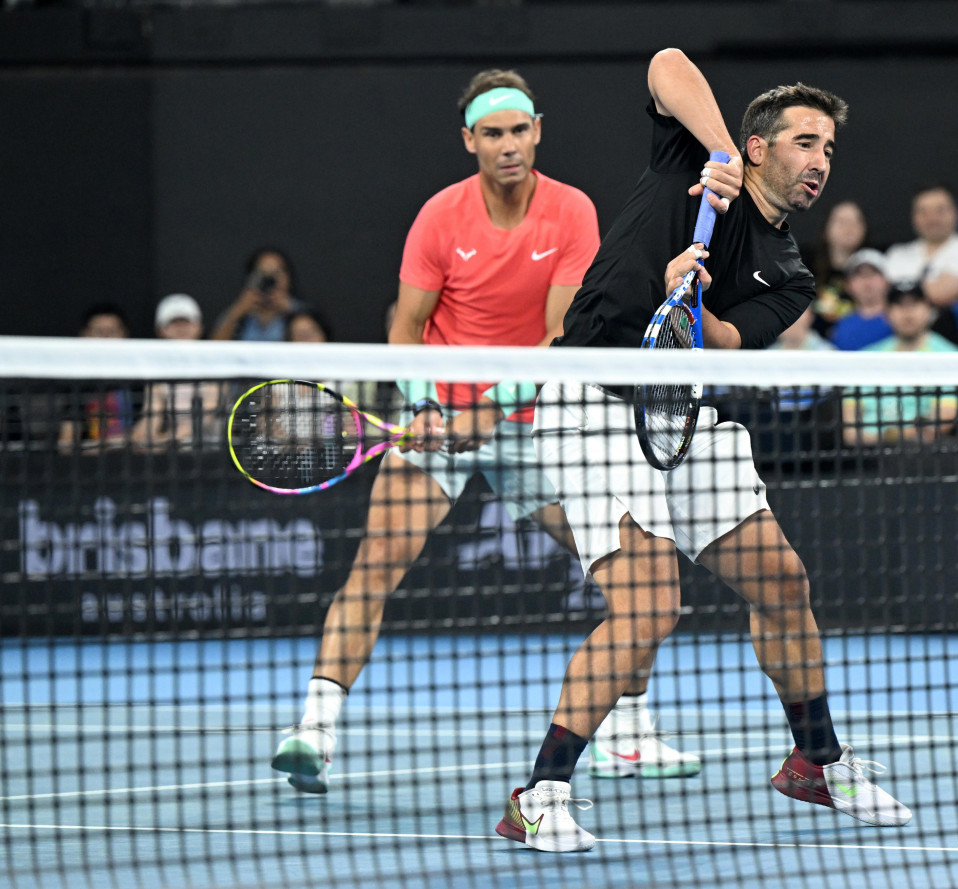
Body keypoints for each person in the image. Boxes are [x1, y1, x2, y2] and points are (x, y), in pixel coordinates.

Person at [501, 49, 910, 853]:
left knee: (782, 579)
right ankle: (538, 792)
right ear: (761, 146)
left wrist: (683, 293)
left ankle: (815, 760)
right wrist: (719, 155)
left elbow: (723, 339)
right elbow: (666, 63)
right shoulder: (691, 159)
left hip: (683, 411)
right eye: (804, 141)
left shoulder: (790, 272)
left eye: (828, 148)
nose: (820, 161)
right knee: (652, 606)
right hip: (593, 396)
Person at [270, 68, 697, 796]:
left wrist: (487, 413)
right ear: (470, 140)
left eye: (519, 129)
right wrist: (425, 404)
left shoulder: (570, 212)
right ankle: (315, 727)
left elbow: (561, 333)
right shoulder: (440, 216)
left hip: (536, 422)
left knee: (641, 569)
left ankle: (627, 731)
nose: (508, 144)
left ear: (538, 130)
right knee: (375, 565)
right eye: (492, 133)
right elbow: (404, 325)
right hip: (436, 412)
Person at [842, 285, 958, 445]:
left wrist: (888, 436)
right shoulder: (866, 358)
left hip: (922, 456)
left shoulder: (951, 358)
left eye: (914, 304)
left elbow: (935, 428)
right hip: (867, 458)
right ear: (887, 314)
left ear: (929, 311)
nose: (907, 313)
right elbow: (850, 432)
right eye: (899, 306)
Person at [130, 294, 223, 452]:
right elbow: (152, 414)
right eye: (173, 323)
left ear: (199, 327)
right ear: (161, 330)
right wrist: (140, 437)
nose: (181, 329)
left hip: (212, 451)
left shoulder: (215, 364)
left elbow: (207, 414)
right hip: (174, 451)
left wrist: (167, 441)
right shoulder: (156, 371)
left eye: (186, 322)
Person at [883, 184, 958, 307]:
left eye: (940, 210)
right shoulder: (897, 255)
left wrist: (905, 291)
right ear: (913, 216)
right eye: (923, 212)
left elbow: (943, 294)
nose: (932, 218)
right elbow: (881, 296)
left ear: (956, 213)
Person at [57, 303, 134, 452]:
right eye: (98, 332)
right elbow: (66, 440)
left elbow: (145, 434)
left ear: (124, 335)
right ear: (84, 336)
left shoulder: (141, 381)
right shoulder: (76, 383)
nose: (105, 339)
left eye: (112, 332)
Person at [210, 247, 303, 341]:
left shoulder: (302, 312)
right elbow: (214, 349)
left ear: (288, 278)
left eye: (276, 273)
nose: (269, 280)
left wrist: (293, 312)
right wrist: (236, 314)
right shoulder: (237, 313)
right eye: (263, 273)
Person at [807, 199, 867, 330]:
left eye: (856, 221)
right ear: (825, 229)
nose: (849, 227)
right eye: (841, 221)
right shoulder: (804, 268)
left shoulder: (873, 272)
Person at [828, 248, 892, 351]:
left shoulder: (900, 320)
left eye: (873, 274)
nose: (866, 282)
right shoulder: (841, 324)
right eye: (859, 275)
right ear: (848, 285)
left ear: (887, 281)